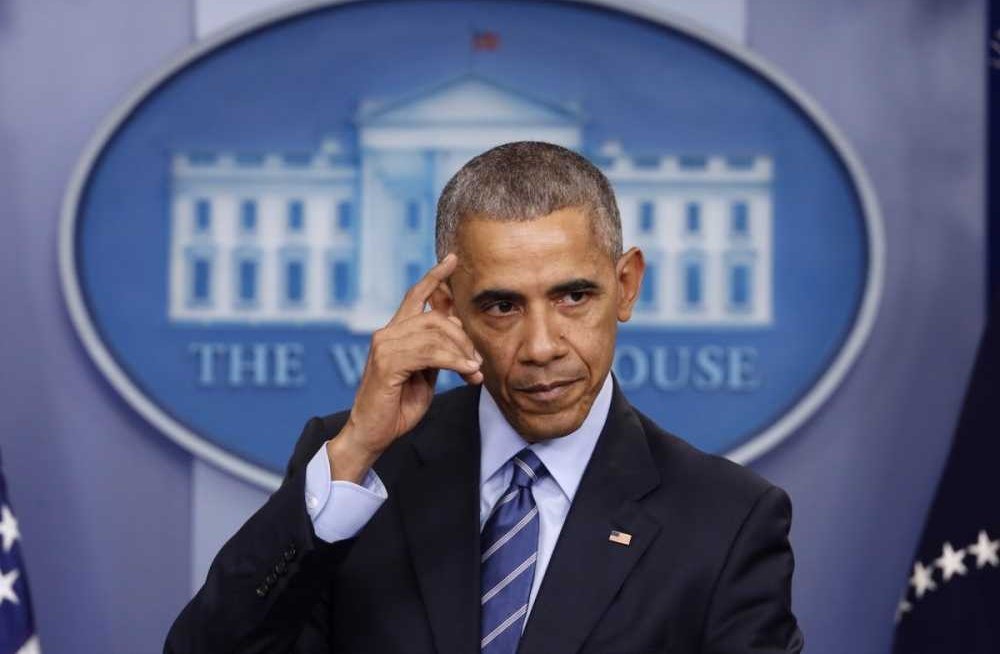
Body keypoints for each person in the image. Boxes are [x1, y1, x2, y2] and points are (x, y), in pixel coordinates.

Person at [165, 141, 804, 653]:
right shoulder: (358, 472)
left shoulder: (727, 520)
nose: (542, 345)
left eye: (573, 296)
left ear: (626, 285)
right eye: (502, 306)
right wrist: (356, 449)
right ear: (447, 310)